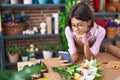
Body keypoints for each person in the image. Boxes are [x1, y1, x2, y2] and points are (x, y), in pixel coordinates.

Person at [59, 2, 106, 67]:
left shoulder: (100, 32)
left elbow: (90, 59)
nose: (76, 29)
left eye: (80, 25)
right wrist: (67, 62)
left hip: (92, 62)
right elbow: (74, 55)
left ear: (89, 22)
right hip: (78, 61)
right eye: (73, 25)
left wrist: (86, 43)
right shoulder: (69, 30)